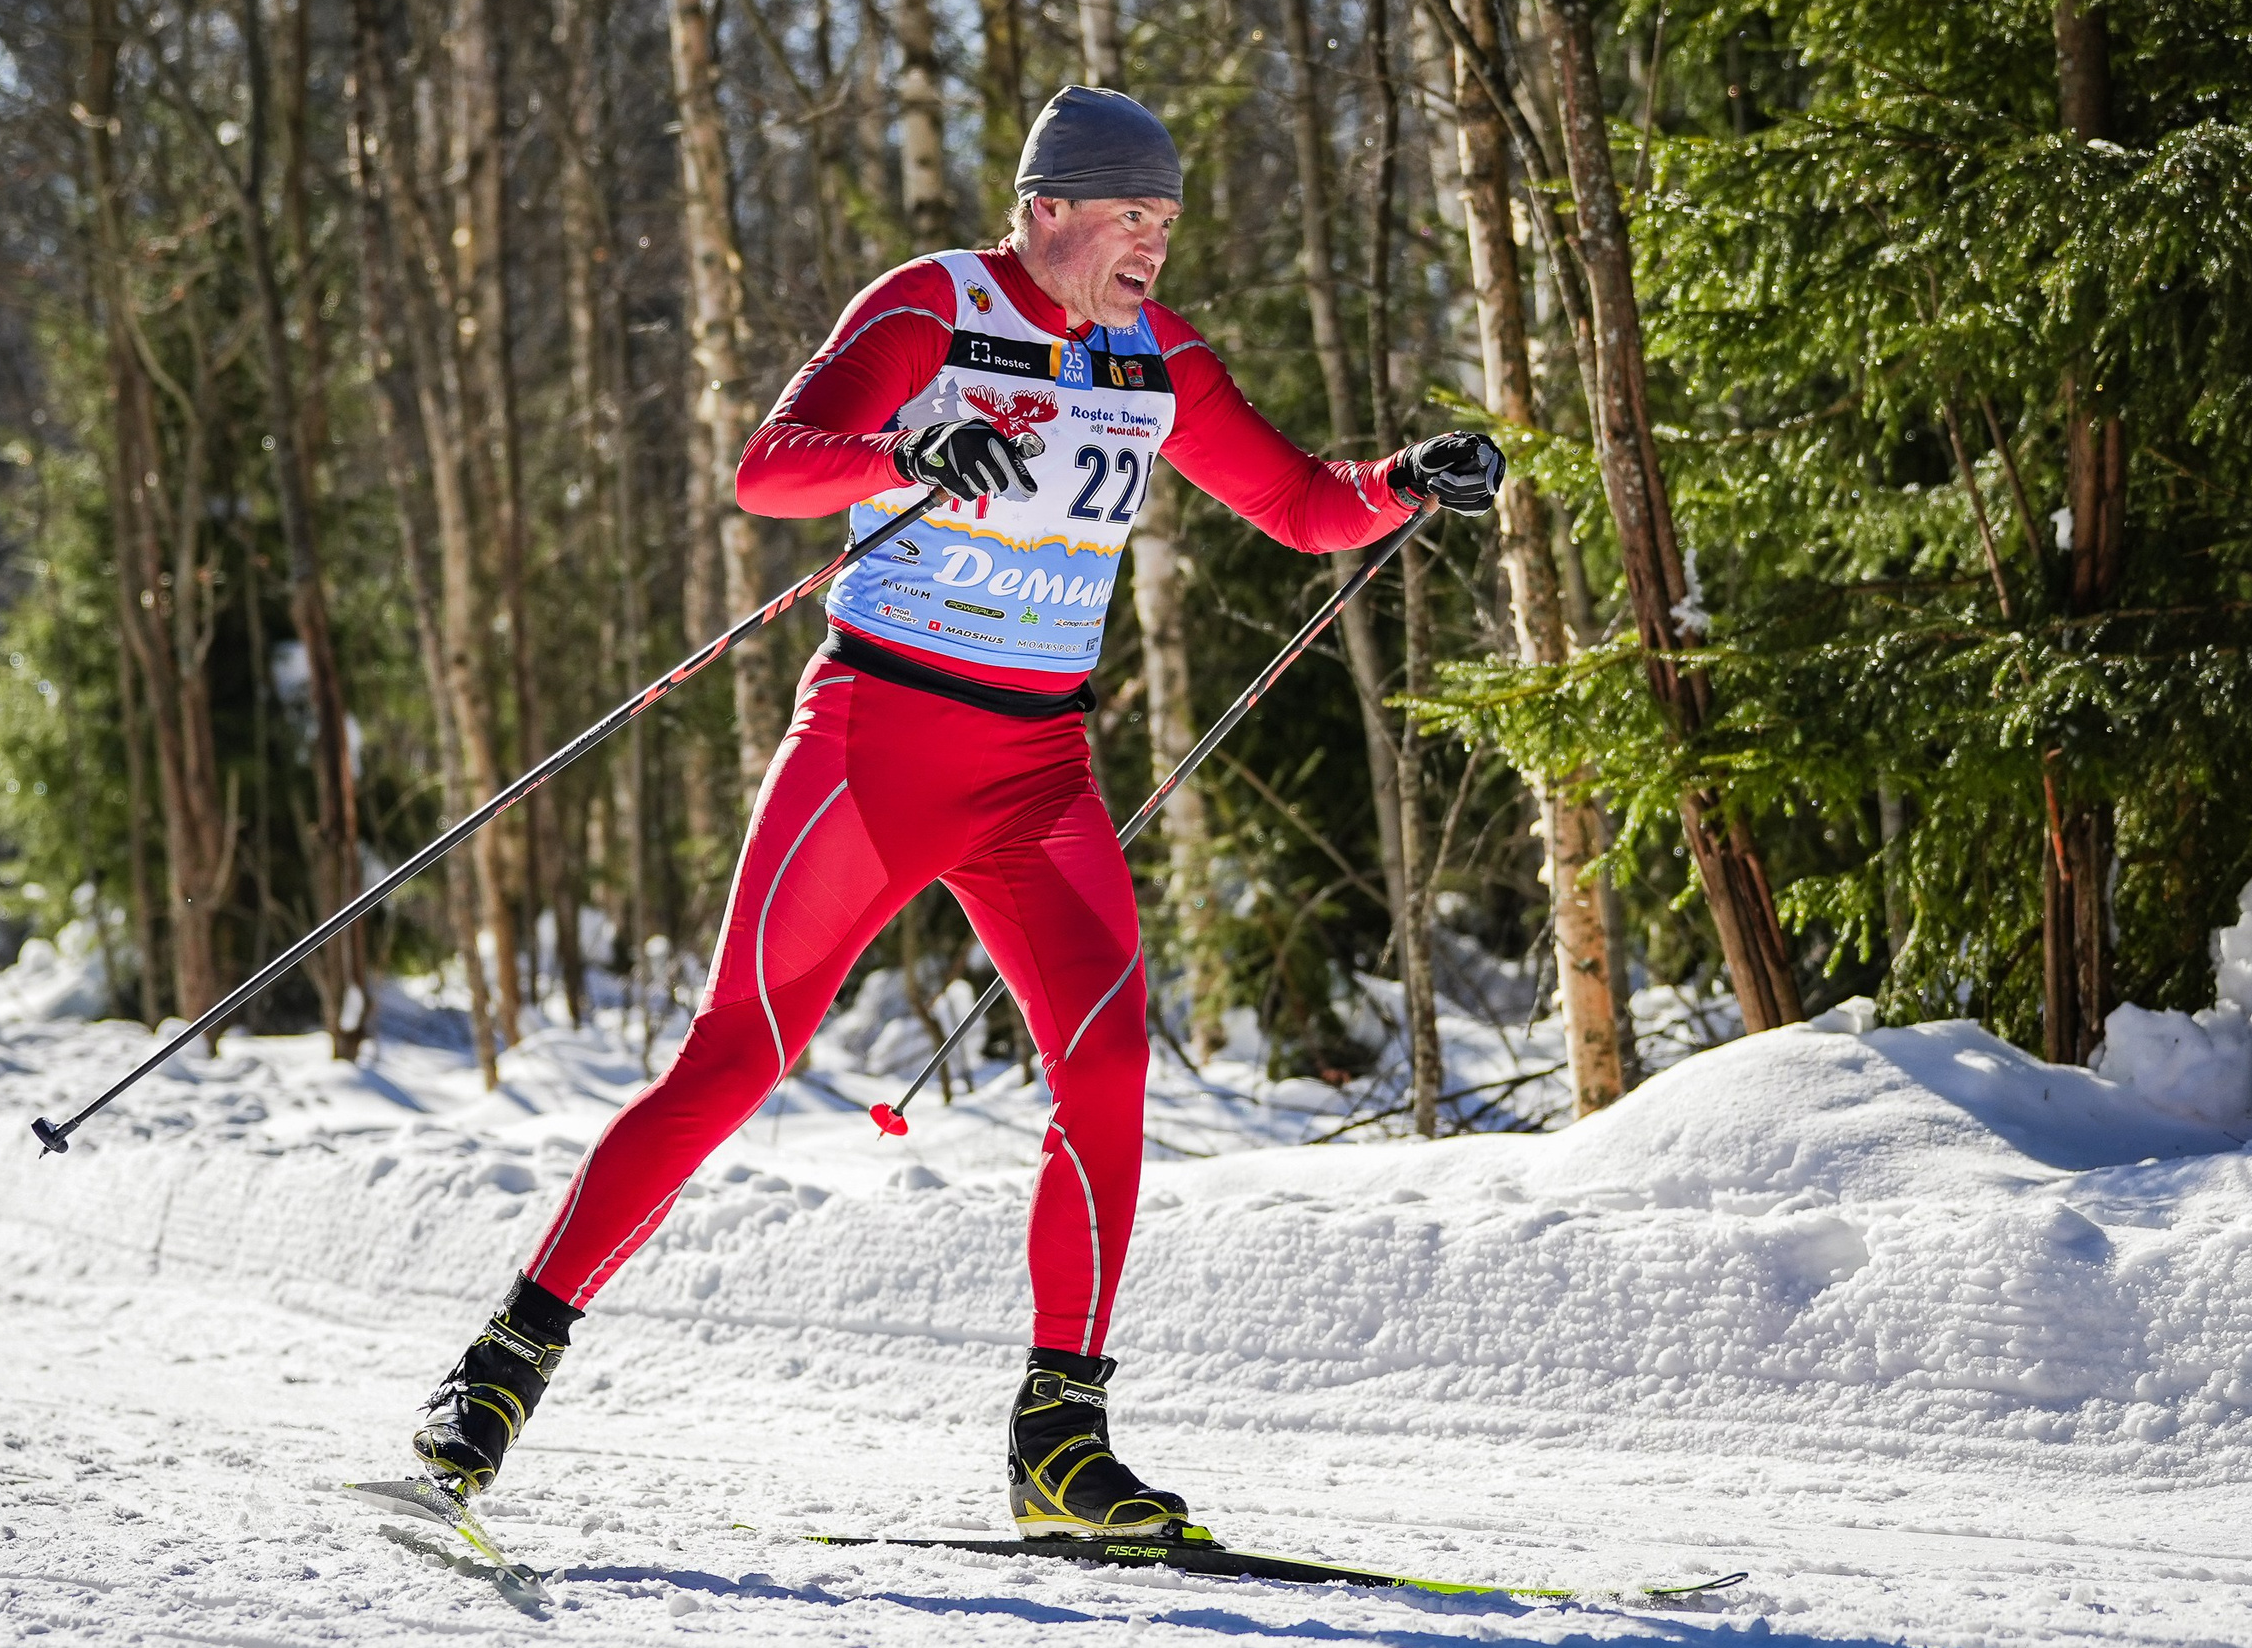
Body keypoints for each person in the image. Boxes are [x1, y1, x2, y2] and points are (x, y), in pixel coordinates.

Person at [406, 87, 1505, 1538]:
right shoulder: (933, 306)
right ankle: (500, 1364)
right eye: (1131, 219)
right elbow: (770, 467)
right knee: (738, 1054)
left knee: (1108, 1063)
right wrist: (908, 454)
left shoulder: (1158, 354)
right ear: (1047, 207)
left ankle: (1060, 1434)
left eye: (1166, 225)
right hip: (878, 743)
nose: (1151, 249)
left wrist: (1400, 482)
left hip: (1040, 774)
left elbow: (1300, 503)